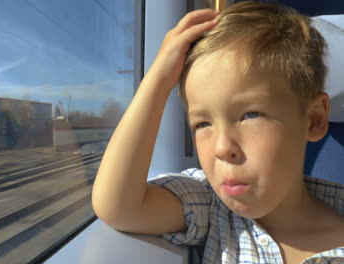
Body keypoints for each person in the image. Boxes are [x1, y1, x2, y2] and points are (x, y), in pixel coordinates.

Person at [91, 1, 344, 263]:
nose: (222, 148)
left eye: (251, 114)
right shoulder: (212, 209)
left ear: (313, 120)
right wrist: (157, 80)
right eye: (202, 124)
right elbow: (119, 207)